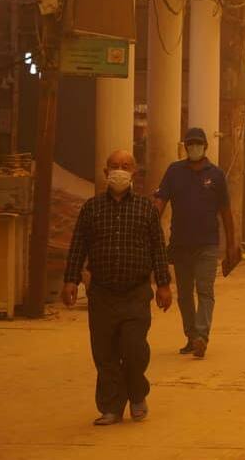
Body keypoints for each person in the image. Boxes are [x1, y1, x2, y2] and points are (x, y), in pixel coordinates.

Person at [62, 150, 172, 425]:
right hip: (102, 293)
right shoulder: (92, 208)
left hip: (136, 293)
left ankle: (136, 394)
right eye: (114, 166)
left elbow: (158, 248)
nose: (119, 171)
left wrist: (163, 285)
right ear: (105, 172)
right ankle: (110, 406)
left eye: (125, 166)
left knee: (134, 348)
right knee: (105, 352)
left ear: (134, 172)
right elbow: (78, 246)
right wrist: (70, 280)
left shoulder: (146, 208)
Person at [154, 128, 238, 360]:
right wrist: (148, 225)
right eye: (190, 144)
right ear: (185, 147)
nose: (194, 147)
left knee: (205, 291)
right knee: (183, 294)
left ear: (205, 147)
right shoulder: (174, 171)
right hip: (180, 244)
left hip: (208, 244)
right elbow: (160, 202)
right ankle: (191, 336)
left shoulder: (217, 175)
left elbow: (226, 212)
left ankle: (202, 336)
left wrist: (231, 244)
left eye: (197, 144)